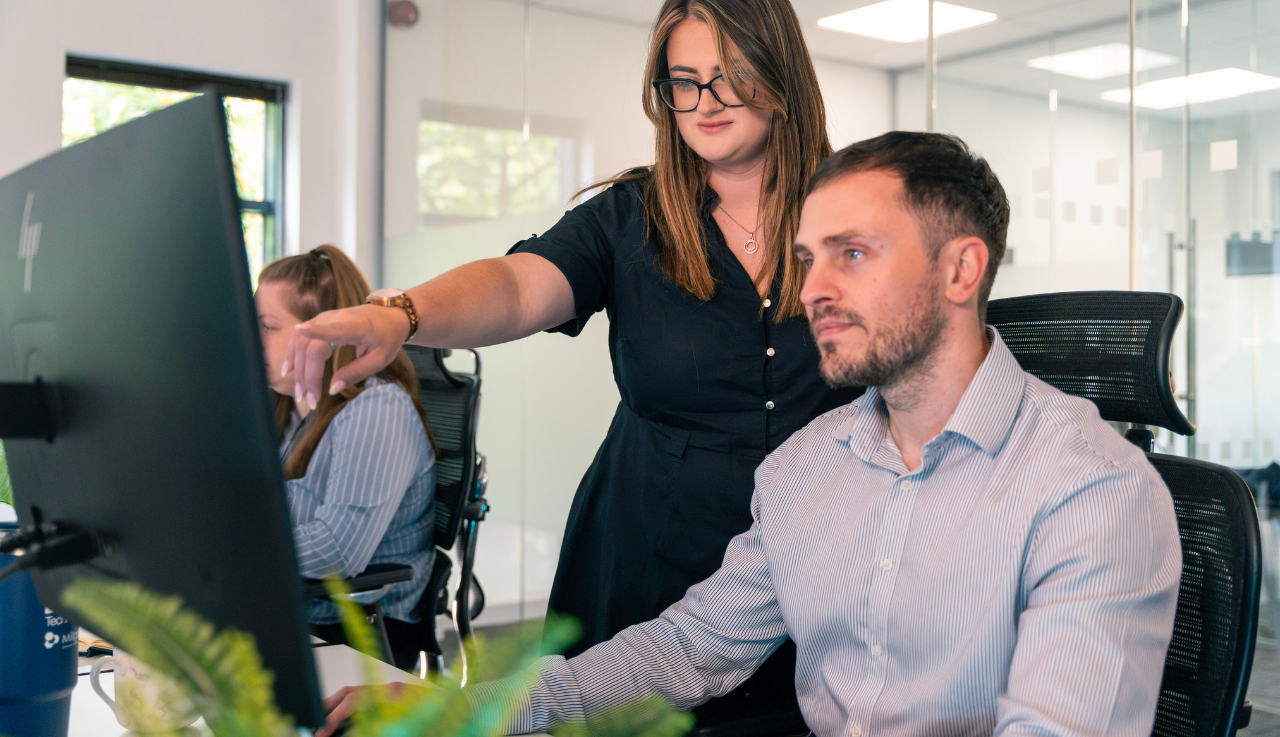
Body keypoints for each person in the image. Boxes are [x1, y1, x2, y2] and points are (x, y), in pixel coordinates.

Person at [320, 132, 1183, 736]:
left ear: (962, 267)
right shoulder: (810, 467)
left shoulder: (1090, 491)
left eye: (853, 253)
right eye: (807, 259)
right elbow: (688, 647)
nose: (811, 289)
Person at [285, 0, 858, 718]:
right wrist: (402, 313)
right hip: (646, 566)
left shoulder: (856, 209)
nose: (705, 101)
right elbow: (520, 285)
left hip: (816, 577)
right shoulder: (630, 220)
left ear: (781, 75)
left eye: (730, 75)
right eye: (684, 81)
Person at [256, 245, 437, 672]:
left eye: (266, 326)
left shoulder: (377, 411)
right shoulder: (296, 408)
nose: (251, 338)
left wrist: (234, 545)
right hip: (301, 614)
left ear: (324, 335)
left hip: (358, 635)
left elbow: (338, 550)